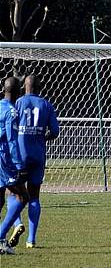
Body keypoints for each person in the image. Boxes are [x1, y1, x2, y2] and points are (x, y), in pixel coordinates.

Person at [6, 75, 59, 249]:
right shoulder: (46, 105)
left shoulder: (18, 103)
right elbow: (55, 132)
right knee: (34, 195)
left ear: (25, 87)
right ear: (39, 88)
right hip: (37, 155)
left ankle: (17, 224)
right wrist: (42, 137)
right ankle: (31, 239)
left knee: (14, 193)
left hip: (19, 156)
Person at [0, 77, 29, 255]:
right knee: (23, 196)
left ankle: (2, 241)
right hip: (4, 158)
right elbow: (11, 140)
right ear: (18, 92)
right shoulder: (12, 112)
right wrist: (19, 165)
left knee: (0, 199)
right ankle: (1, 235)